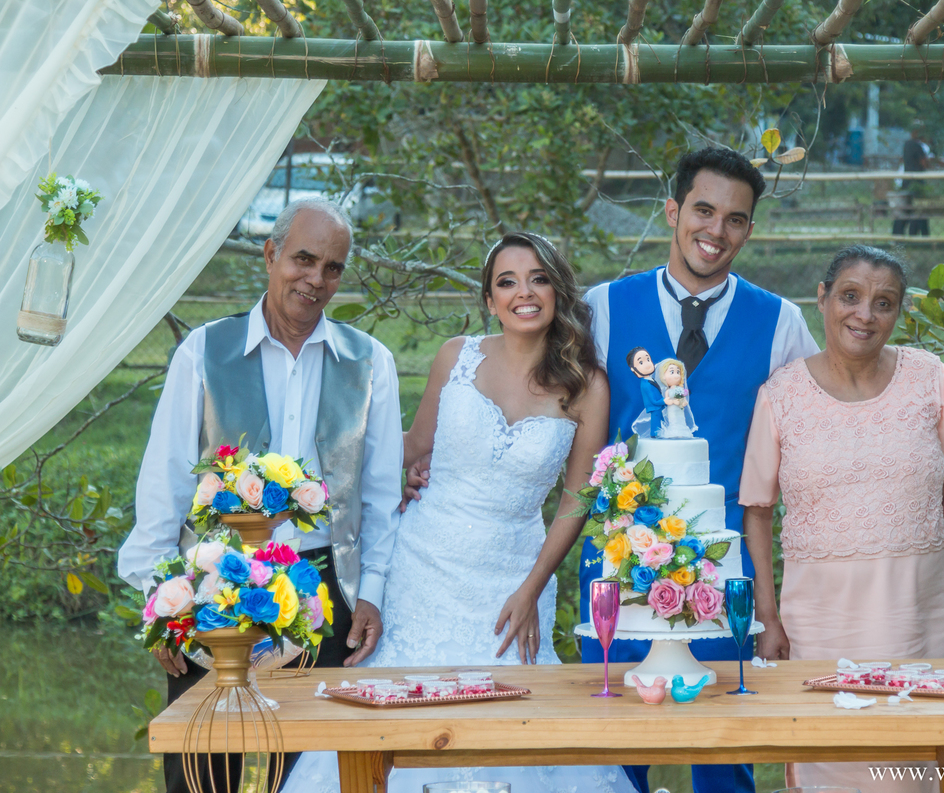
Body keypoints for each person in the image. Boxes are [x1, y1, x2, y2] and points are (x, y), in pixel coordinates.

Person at [284, 233, 637, 793]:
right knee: (402, 719)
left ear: (557, 290)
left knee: (511, 722)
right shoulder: (457, 356)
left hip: (514, 578)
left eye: (538, 278)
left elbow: (578, 498)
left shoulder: (586, 384)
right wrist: (318, 455)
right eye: (507, 282)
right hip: (422, 567)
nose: (524, 292)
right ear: (490, 299)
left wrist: (532, 588)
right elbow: (412, 445)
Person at [117, 200, 404, 793]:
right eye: (303, 259)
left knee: (311, 777)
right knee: (201, 774)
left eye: (332, 267)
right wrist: (159, 604)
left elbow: (381, 496)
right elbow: (165, 480)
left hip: (327, 597)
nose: (316, 279)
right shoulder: (203, 350)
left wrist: (371, 593)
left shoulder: (371, 362)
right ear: (271, 256)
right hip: (211, 590)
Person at [581, 146, 821, 793]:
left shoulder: (780, 323)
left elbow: (812, 435)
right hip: (619, 562)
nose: (716, 232)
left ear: (750, 229)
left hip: (726, 564)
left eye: (735, 219)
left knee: (722, 747)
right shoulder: (602, 307)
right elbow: (557, 416)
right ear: (672, 210)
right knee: (612, 747)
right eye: (704, 210)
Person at [740, 245, 944, 793]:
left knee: (914, 759)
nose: (864, 315)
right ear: (822, 299)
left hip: (920, 610)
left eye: (883, 302)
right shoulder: (781, 395)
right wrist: (768, 617)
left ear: (899, 313)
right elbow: (756, 510)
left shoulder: (929, 376)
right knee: (832, 753)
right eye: (850, 296)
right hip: (822, 619)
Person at [892, 124, 944, 236]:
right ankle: (917, 234)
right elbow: (924, 163)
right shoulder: (917, 146)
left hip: (907, 181)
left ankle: (903, 234)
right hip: (916, 182)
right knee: (917, 209)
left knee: (908, 209)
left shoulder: (907, 144)